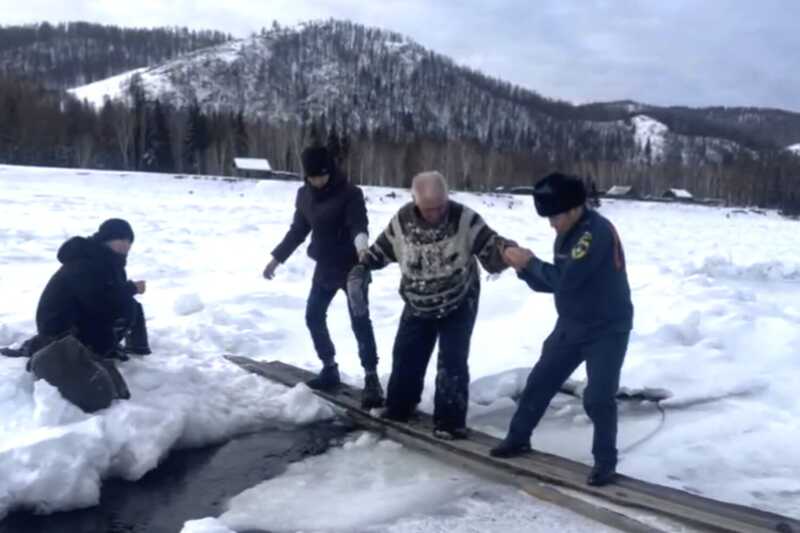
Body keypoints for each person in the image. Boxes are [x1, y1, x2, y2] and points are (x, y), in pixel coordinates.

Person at [489, 172, 633, 487]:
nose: (551, 224)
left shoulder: (593, 236)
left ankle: (605, 463)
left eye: (554, 216)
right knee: (539, 382)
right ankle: (517, 439)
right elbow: (555, 284)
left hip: (607, 329)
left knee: (598, 397)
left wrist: (528, 263)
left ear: (573, 209)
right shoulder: (568, 232)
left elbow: (565, 282)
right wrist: (523, 269)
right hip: (572, 324)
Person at [359, 171, 515, 440]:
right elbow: (382, 250)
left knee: (452, 361)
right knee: (406, 355)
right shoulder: (402, 221)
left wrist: (508, 252)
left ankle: (450, 422)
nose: (436, 214)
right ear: (415, 201)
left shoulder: (465, 219)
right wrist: (362, 266)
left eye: (441, 207)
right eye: (429, 209)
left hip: (459, 299)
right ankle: (399, 408)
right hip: (417, 300)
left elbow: (491, 245)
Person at [263, 145, 384, 409]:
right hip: (325, 266)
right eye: (312, 177)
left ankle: (372, 378)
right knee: (313, 315)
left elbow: (358, 225)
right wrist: (276, 258)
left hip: (353, 268)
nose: (317, 181)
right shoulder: (304, 195)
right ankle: (329, 367)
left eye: (321, 176)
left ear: (330, 171)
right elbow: (298, 230)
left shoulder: (350, 194)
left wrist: (363, 250)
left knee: (360, 321)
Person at [1, 218, 150, 359]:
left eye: (128, 241)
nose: (125, 244)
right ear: (107, 239)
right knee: (125, 306)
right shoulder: (86, 262)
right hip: (60, 328)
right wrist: (131, 288)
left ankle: (120, 348)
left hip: (80, 319)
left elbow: (109, 296)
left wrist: (128, 290)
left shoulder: (110, 262)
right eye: (120, 239)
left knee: (129, 306)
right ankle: (45, 346)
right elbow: (98, 301)